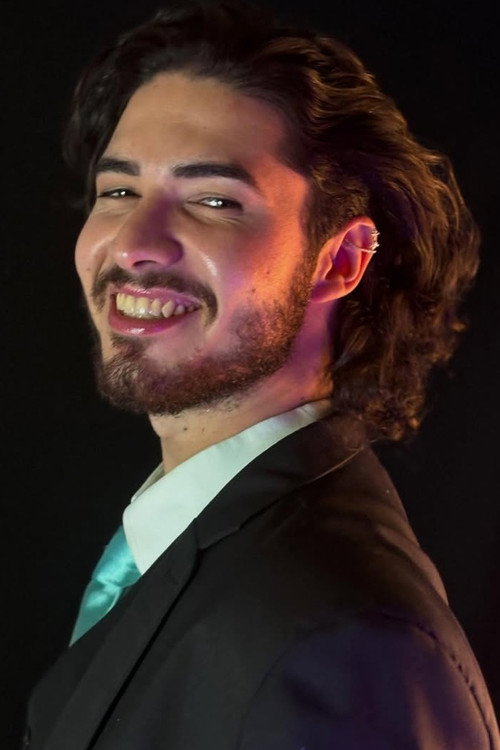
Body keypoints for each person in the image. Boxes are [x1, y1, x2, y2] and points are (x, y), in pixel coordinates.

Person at [26, 1, 499, 748]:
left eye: (214, 201)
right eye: (119, 191)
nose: (135, 243)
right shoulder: (204, 550)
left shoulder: (348, 641)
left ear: (340, 260)